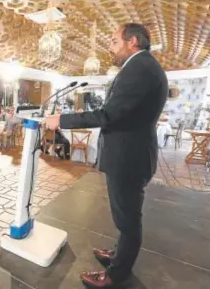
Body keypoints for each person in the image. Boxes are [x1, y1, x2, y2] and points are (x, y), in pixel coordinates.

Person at [45, 23, 168, 288]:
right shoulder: (141, 66)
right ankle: (118, 253)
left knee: (128, 219)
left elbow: (107, 115)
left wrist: (62, 120)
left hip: (129, 157)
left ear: (132, 41)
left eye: (113, 41)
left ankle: (117, 274)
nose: (110, 47)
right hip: (129, 153)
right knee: (125, 214)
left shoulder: (140, 68)